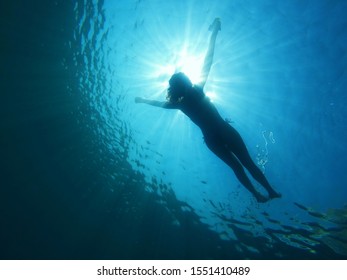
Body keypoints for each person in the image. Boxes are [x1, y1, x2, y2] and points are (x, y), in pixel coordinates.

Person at [135, 18, 281, 202]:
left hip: (211, 139)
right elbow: (208, 59)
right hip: (222, 129)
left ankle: (258, 194)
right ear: (186, 81)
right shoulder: (196, 90)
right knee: (246, 163)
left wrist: (142, 100)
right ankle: (269, 191)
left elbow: (159, 104)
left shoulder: (179, 103)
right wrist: (214, 33)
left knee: (237, 167)